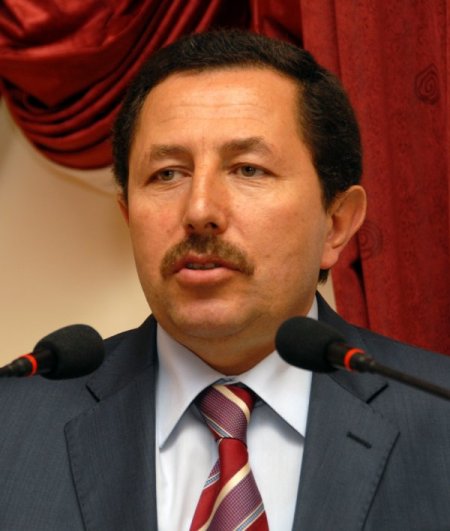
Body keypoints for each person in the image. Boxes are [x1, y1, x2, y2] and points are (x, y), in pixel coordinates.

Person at [1, 29, 449, 531]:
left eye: (248, 169)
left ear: (337, 223)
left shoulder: (438, 416)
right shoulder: (11, 427)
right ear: (128, 216)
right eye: (167, 174)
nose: (199, 211)